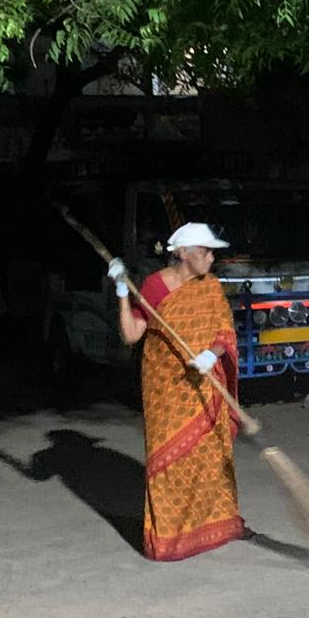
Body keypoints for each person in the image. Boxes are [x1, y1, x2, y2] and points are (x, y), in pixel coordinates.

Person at [107, 223, 253, 561]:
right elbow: (132, 334)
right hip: (166, 389)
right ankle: (171, 538)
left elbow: (224, 333)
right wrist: (122, 292)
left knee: (210, 458)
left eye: (212, 252)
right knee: (169, 461)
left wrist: (211, 355)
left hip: (205, 384)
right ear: (183, 253)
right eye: (205, 251)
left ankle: (216, 525)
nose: (211, 258)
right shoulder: (154, 286)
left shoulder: (211, 287)